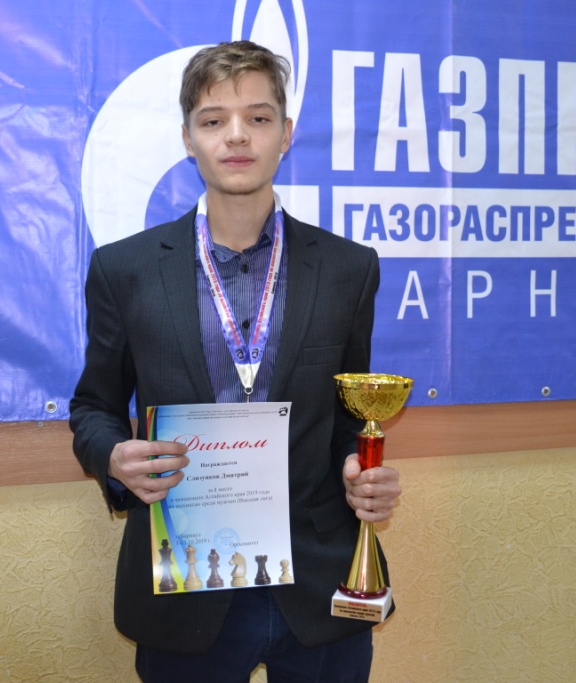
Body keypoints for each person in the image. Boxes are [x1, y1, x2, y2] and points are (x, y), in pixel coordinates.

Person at [69, 40, 401, 682]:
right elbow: (93, 407)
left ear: (286, 134)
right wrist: (113, 457)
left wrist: (360, 470)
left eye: (258, 117)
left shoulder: (348, 269)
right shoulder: (125, 270)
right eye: (214, 120)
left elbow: (346, 418)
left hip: (318, 582)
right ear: (188, 139)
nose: (237, 136)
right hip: (185, 585)